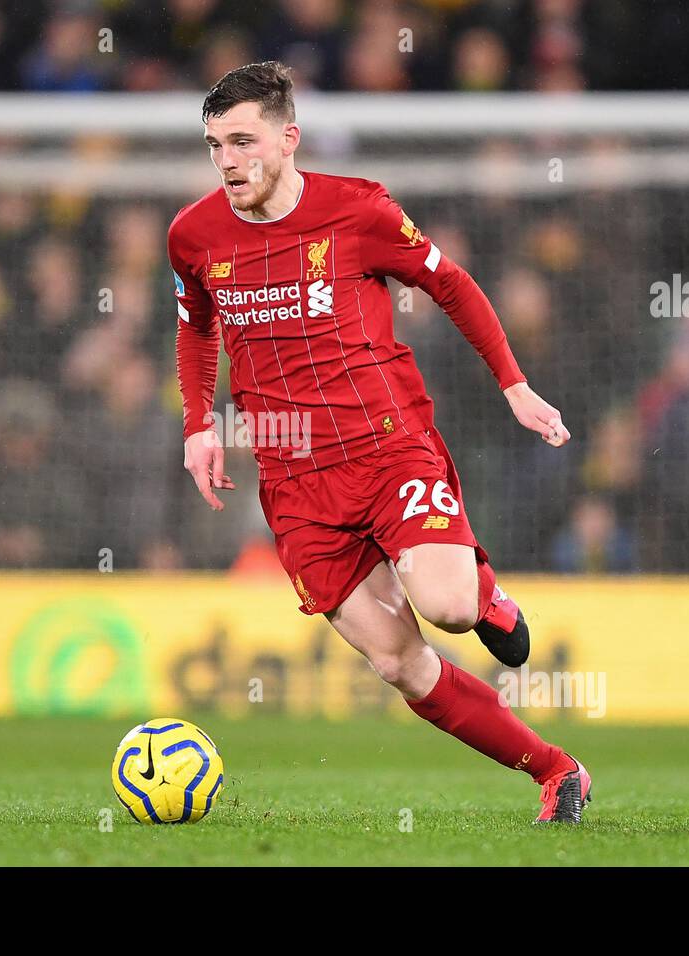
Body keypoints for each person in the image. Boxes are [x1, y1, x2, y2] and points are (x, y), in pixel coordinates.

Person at [171, 62, 590, 822]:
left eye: (242, 140)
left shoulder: (358, 212)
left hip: (388, 449)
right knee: (399, 662)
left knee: (450, 610)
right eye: (213, 145)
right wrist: (200, 422)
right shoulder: (193, 236)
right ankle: (557, 772)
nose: (227, 161)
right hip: (295, 483)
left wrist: (514, 385)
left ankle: (485, 594)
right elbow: (196, 325)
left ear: (287, 138)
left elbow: (450, 283)